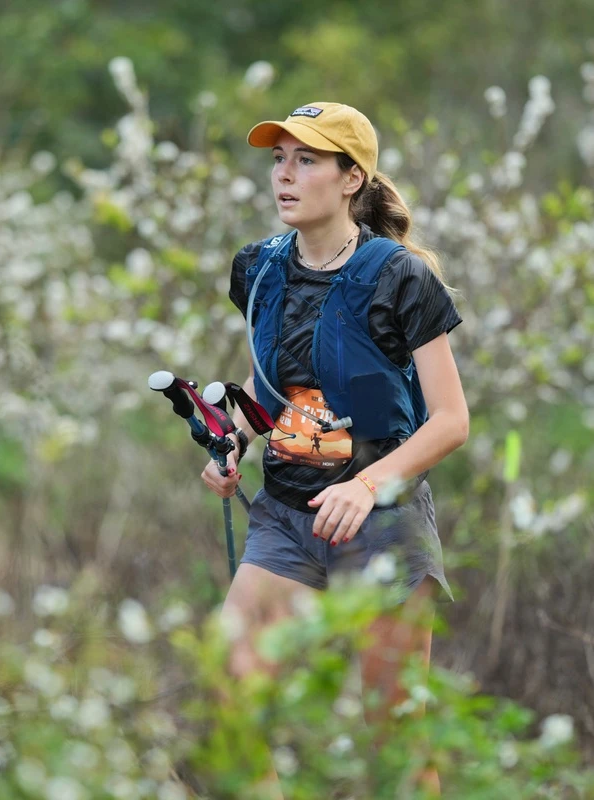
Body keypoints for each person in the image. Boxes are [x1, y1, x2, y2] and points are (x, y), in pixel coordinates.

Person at [201, 102, 469, 795]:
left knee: (396, 741)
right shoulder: (257, 269)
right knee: (232, 693)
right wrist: (232, 442)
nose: (284, 176)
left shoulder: (401, 277)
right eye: (278, 160)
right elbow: (282, 396)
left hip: (380, 523)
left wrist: (365, 485)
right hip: (287, 517)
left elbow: (450, 421)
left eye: (306, 160)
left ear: (352, 179)